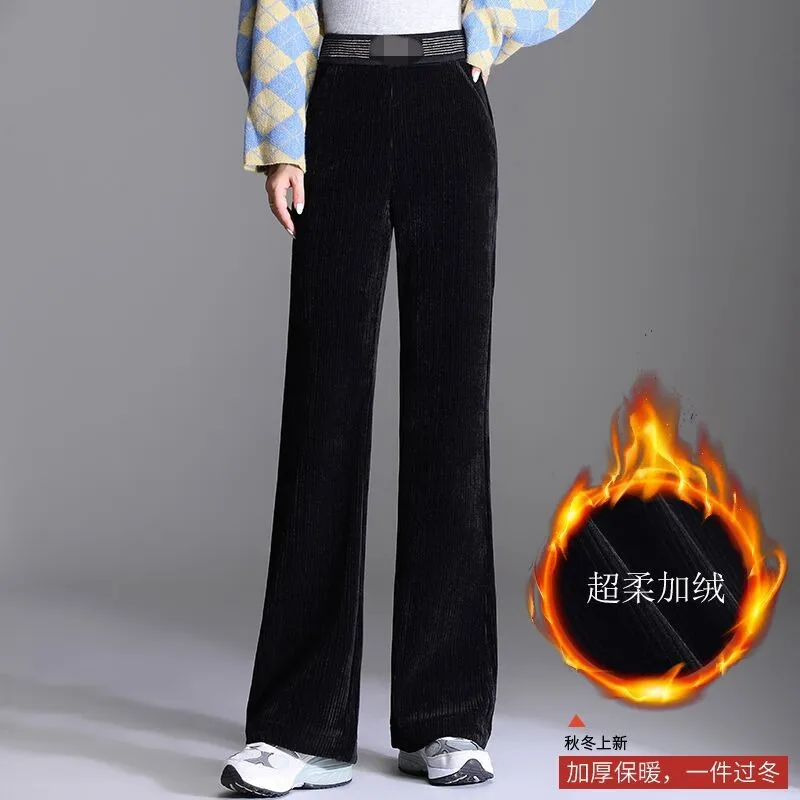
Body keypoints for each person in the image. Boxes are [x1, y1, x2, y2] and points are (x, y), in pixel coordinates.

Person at [223, 1, 596, 795]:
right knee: (322, 411)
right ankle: (299, 727)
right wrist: (282, 141)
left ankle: (446, 717)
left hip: (445, 101)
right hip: (338, 101)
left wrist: (492, 23)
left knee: (451, 415)